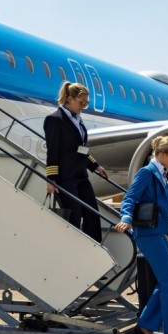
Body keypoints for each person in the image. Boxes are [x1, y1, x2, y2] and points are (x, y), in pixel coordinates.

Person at [114, 135, 168, 334]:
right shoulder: (147, 173)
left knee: (167, 281)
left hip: (158, 232)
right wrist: (126, 218)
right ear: (163, 154)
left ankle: (146, 326)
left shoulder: (161, 173)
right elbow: (130, 197)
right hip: (148, 234)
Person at [44, 82, 108, 242]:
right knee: (75, 215)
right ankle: (73, 251)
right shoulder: (55, 120)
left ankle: (93, 248)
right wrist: (51, 179)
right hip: (65, 177)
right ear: (70, 99)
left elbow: (81, 148)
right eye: (82, 102)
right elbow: (52, 150)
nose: (84, 106)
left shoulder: (78, 121)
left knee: (93, 214)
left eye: (86, 103)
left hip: (81, 175)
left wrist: (95, 166)